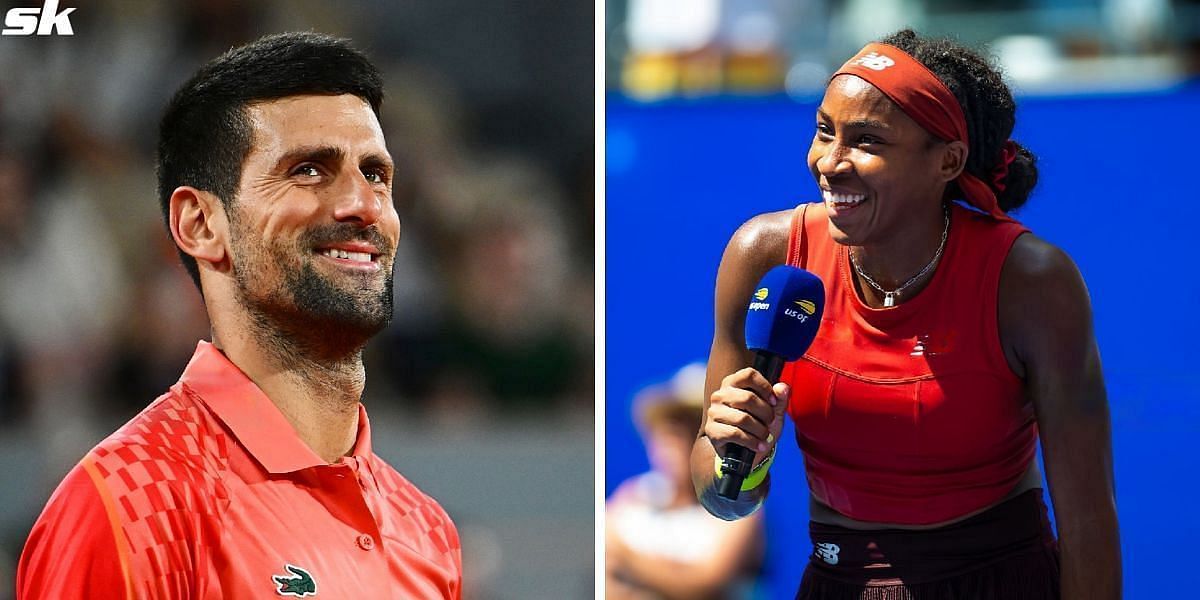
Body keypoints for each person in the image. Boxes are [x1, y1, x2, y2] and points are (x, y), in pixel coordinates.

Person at [16, 32, 463, 599]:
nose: (364, 204)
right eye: (308, 170)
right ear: (201, 224)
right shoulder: (128, 506)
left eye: (375, 173)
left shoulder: (427, 533)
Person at [691, 30, 1120, 599]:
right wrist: (739, 459)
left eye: (867, 141)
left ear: (947, 161)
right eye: (825, 131)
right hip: (837, 580)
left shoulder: (1032, 282)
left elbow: (1089, 520)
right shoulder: (765, 254)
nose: (830, 163)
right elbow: (719, 492)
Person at [607, 363, 764, 599]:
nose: (675, 446)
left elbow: (706, 584)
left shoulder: (740, 510)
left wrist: (627, 559)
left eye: (692, 431)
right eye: (669, 432)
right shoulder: (631, 495)